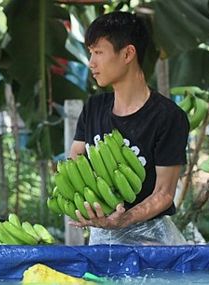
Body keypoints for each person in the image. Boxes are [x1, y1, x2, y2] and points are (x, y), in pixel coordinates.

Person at [69, 11, 189, 245]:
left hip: (152, 242)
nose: (91, 63)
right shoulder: (93, 108)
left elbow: (164, 193)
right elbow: (74, 160)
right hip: (101, 241)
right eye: (90, 53)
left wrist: (124, 220)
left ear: (127, 53)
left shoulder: (168, 117)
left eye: (99, 52)